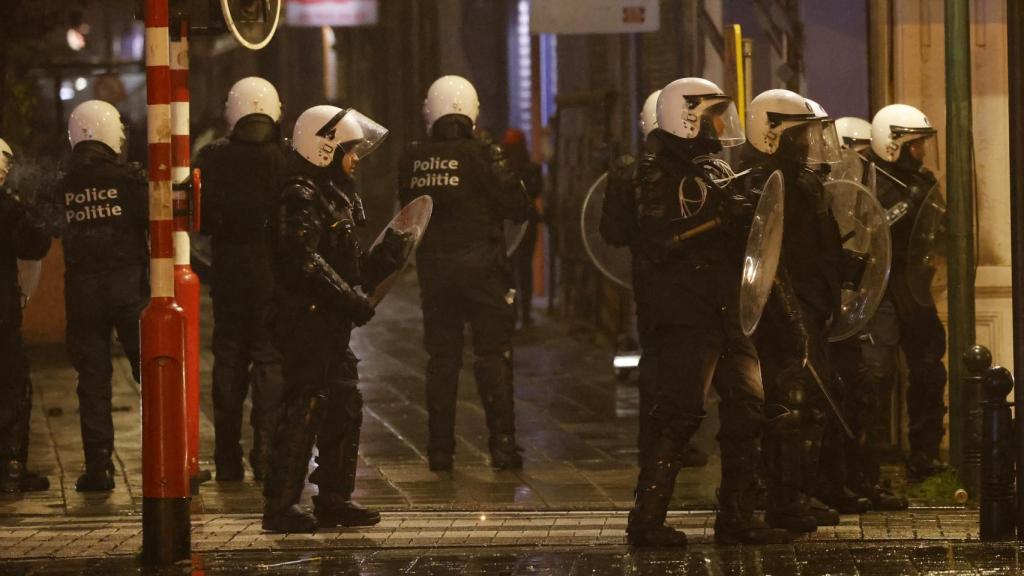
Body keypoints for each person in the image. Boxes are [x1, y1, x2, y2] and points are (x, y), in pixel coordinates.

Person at [619, 78, 788, 547]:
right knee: (678, 414)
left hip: (724, 304)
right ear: (685, 114)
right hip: (684, 309)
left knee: (749, 405)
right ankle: (647, 519)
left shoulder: (709, 167)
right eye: (711, 114)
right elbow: (656, 234)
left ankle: (737, 513)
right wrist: (715, 217)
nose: (719, 126)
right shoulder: (653, 170)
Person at [262, 104, 406, 533]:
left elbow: (347, 266)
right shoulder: (299, 195)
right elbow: (302, 261)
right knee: (305, 405)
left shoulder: (333, 194)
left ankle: (334, 499)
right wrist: (350, 301)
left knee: (344, 404)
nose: (356, 158)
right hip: (305, 321)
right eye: (349, 149)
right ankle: (280, 505)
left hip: (328, 322)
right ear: (324, 149)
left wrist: (385, 259)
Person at [398, 75, 531, 472]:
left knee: (442, 361)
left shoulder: (411, 158)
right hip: (483, 272)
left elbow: (407, 214)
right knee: (492, 355)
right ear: (471, 112)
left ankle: (440, 451)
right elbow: (518, 205)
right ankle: (503, 447)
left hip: (434, 273)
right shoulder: (481, 154)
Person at [740, 89, 854, 532]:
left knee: (811, 404)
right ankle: (782, 499)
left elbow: (821, 247)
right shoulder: (762, 183)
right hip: (781, 309)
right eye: (800, 134)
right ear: (774, 134)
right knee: (789, 405)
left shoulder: (802, 181)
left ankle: (801, 493)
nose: (808, 142)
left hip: (811, 304)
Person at [598, 89, 708, 469]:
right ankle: (681, 443)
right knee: (689, 365)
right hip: (690, 280)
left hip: (646, 280)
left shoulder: (627, 170)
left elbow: (611, 232)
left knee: (655, 363)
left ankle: (653, 445)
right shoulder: (693, 168)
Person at [196, 77, 289, 482]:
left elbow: (194, 217)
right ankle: (266, 451)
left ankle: (227, 457)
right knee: (270, 359)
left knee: (229, 360)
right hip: (273, 271)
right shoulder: (287, 160)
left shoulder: (210, 158)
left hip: (228, 270)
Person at [56, 100, 148, 492]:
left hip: (83, 293)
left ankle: (99, 469)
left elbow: (36, 235)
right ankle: (170, 457)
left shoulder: (62, 185)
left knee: (92, 381)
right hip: (128, 288)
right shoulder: (128, 181)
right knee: (153, 373)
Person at [863, 104, 948, 483]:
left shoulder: (925, 181)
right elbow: (868, 228)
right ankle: (871, 459)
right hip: (880, 284)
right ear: (892, 144)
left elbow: (938, 226)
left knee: (929, 368)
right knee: (876, 372)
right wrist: (905, 204)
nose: (921, 152)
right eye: (915, 145)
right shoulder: (868, 176)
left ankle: (925, 453)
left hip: (915, 283)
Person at [829, 116, 909, 511]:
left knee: (868, 392)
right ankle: (837, 480)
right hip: (832, 306)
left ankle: (862, 477)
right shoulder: (823, 192)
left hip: (860, 302)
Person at [0, 138, 51, 493]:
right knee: (13, 387)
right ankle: (12, 470)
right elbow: (34, 245)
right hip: (2, 316)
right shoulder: (7, 208)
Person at [501, 128, 542, 328]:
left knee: (516, 272)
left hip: (516, 224)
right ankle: (519, 313)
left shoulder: (518, 169)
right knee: (518, 272)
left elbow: (535, 190)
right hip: (518, 223)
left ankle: (519, 313)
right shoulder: (528, 169)